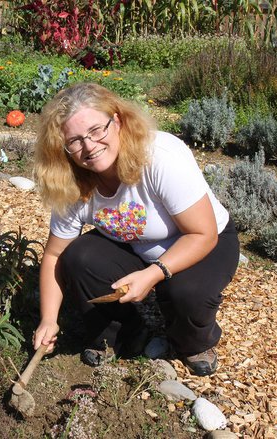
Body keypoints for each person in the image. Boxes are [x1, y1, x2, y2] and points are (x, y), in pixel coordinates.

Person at [31, 83, 239, 376]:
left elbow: (203, 234)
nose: (89, 146)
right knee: (79, 257)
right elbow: (54, 255)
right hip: (137, 245)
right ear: (62, 148)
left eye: (96, 130)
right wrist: (49, 319)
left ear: (117, 121)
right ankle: (122, 331)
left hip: (203, 240)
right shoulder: (70, 179)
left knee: (186, 292)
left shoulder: (157, 157)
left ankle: (193, 342)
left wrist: (153, 274)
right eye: (75, 141)